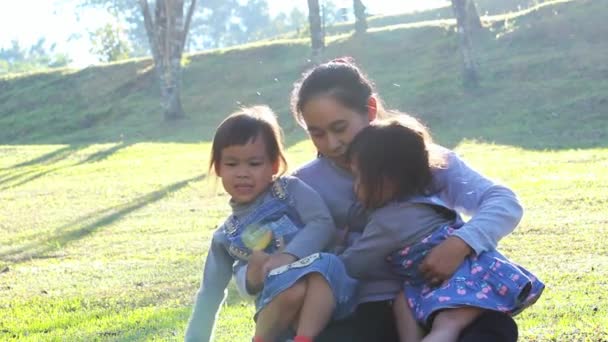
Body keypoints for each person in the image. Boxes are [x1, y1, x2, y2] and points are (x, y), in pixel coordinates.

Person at [254, 57, 524, 342]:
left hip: (443, 293)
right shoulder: (304, 185)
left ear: (370, 110)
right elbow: (275, 250)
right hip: (365, 306)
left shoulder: (420, 158)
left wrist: (461, 243)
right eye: (317, 134)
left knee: (494, 329)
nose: (332, 144)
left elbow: (503, 202)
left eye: (340, 127)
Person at [341, 120, 544, 342]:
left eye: (359, 177)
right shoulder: (424, 198)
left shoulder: (388, 221)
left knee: (447, 327)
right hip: (459, 278)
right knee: (403, 302)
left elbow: (354, 264)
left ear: (386, 179)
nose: (355, 186)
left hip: (456, 281)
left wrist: (333, 253)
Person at [184, 106, 357, 342]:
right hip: (278, 311)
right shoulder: (226, 236)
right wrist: (252, 278)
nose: (243, 173)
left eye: (254, 163)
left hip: (324, 298)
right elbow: (210, 294)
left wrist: (288, 256)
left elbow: (322, 223)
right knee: (291, 289)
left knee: (322, 267)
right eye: (232, 164)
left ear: (274, 165)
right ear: (218, 168)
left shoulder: (291, 190)